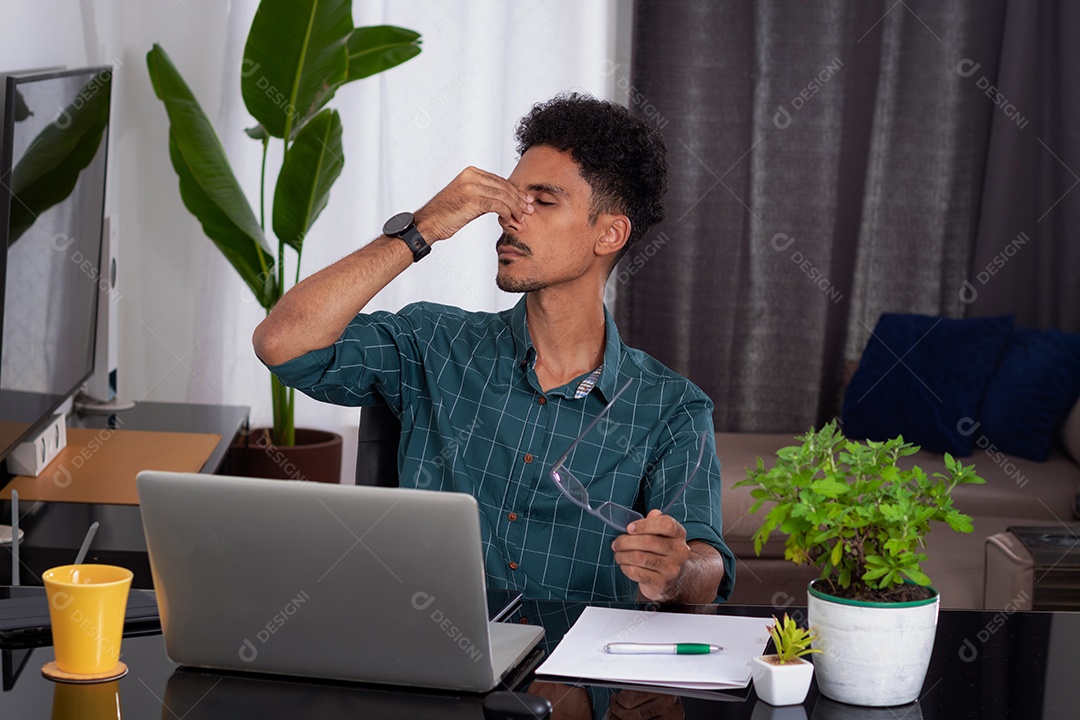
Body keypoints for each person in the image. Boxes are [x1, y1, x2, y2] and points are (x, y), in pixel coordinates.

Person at [252, 93, 734, 605]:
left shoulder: (671, 407)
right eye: (509, 199)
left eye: (542, 202)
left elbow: (707, 561)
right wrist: (422, 228)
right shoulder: (434, 342)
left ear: (609, 233)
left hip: (572, 674)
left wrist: (676, 569)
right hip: (430, 664)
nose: (509, 217)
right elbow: (282, 342)